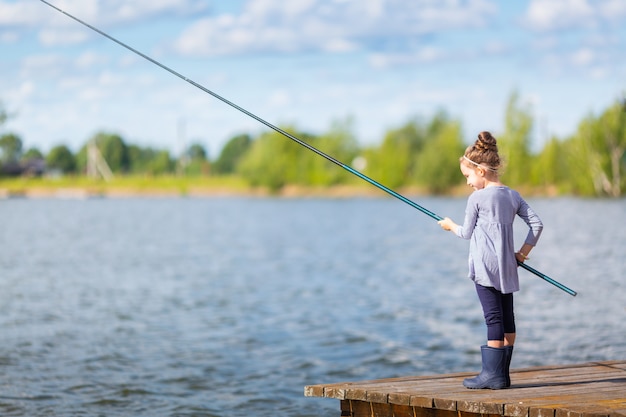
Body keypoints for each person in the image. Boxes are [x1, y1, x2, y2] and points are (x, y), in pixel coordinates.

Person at [438, 131, 543, 389]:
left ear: (481, 172)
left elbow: (465, 233)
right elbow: (537, 225)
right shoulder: (513, 195)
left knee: (492, 319)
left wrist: (450, 225)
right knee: (507, 319)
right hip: (508, 267)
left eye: (468, 176)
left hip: (485, 269)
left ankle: (491, 375)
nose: (468, 183)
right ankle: (502, 375)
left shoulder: (477, 198)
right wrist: (521, 254)